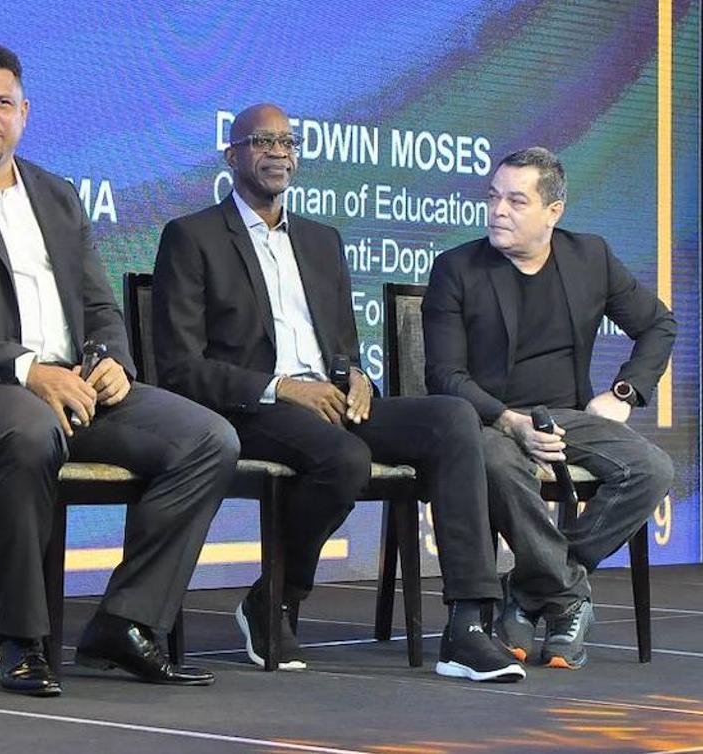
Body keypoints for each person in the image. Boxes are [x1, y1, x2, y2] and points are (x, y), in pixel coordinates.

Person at [0, 42, 239, 697]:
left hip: (72, 388)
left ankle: (125, 622)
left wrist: (115, 362)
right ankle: (20, 639)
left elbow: (98, 303)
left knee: (208, 439)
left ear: (25, 112)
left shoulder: (58, 195)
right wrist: (27, 369)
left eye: (2, 103)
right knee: (30, 428)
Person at [153, 103, 524, 682]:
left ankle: (467, 626)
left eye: (287, 142)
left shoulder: (322, 241)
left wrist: (356, 376)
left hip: (329, 405)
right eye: (262, 141)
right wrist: (282, 387)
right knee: (344, 457)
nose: (278, 152)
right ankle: (273, 596)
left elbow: (342, 347)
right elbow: (179, 367)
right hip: (249, 409)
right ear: (232, 156)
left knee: (452, 419)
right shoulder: (192, 237)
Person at [423, 146, 675, 670]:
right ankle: (566, 599)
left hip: (569, 414)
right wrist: (510, 422)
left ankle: (534, 586)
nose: (498, 210)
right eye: (493, 197)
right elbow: (445, 377)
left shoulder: (591, 257)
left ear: (553, 212)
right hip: (487, 418)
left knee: (652, 468)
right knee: (496, 459)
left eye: (517, 200)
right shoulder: (457, 269)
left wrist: (625, 392)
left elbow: (658, 324)